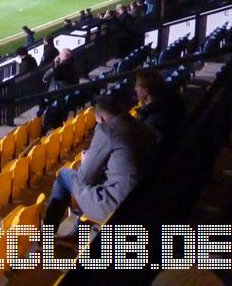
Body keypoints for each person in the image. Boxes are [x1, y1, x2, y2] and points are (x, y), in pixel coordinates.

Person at [43, 96, 157, 230]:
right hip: (146, 197)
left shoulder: (106, 130)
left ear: (102, 119)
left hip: (115, 204)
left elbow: (84, 178)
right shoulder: (144, 127)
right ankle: (79, 228)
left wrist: (86, 161)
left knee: (64, 175)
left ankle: (46, 238)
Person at [134, 69, 185, 146]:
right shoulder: (172, 101)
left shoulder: (153, 120)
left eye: (137, 86)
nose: (135, 89)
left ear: (145, 91)